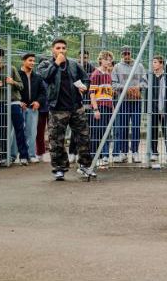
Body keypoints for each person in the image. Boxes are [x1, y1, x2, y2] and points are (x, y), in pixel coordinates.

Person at [37, 39, 95, 180]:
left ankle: (85, 166)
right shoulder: (46, 64)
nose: (61, 50)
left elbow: (86, 79)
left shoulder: (74, 64)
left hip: (76, 107)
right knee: (56, 140)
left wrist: (84, 88)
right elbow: (45, 77)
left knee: (83, 137)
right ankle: (60, 168)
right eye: (58, 48)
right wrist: (56, 63)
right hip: (57, 109)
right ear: (53, 50)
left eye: (63, 48)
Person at [0, 48, 29, 165]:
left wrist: (12, 82)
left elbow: (21, 86)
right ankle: (4, 156)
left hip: (14, 103)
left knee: (19, 130)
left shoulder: (11, 69)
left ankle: (24, 156)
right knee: (2, 132)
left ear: (2, 57)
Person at [111, 46, 147, 163]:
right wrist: (126, 88)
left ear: (131, 53)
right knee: (123, 127)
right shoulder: (117, 67)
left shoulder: (139, 66)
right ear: (122, 55)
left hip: (136, 101)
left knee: (136, 126)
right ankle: (123, 152)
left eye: (128, 53)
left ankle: (135, 152)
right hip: (123, 101)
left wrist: (138, 87)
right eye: (124, 54)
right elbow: (114, 84)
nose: (126, 56)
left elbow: (145, 82)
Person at [12, 53, 46, 163]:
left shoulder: (37, 77)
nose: (32, 63)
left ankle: (31, 155)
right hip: (19, 107)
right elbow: (13, 90)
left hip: (33, 108)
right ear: (24, 61)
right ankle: (13, 155)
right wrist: (19, 102)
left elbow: (43, 92)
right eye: (30, 60)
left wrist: (38, 102)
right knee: (15, 131)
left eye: (33, 61)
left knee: (32, 132)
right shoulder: (16, 74)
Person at [69, 50, 95, 163]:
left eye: (85, 57)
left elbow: (92, 85)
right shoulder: (73, 67)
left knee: (85, 131)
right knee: (75, 129)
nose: (83, 59)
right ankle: (72, 152)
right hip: (76, 102)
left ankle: (83, 155)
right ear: (77, 57)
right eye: (81, 57)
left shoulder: (92, 69)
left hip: (89, 102)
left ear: (88, 58)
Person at [89, 51, 114, 163]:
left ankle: (100, 157)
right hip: (99, 107)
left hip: (108, 107)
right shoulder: (96, 74)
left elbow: (109, 93)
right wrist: (95, 109)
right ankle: (93, 158)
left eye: (110, 60)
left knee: (105, 133)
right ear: (101, 60)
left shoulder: (108, 75)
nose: (109, 62)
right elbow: (92, 93)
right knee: (96, 133)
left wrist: (112, 107)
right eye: (106, 59)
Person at [149, 56, 167, 163]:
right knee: (153, 130)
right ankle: (154, 152)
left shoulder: (166, 76)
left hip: (164, 107)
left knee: (166, 129)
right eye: (153, 62)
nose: (153, 64)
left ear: (161, 64)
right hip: (152, 108)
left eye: (155, 62)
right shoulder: (149, 75)